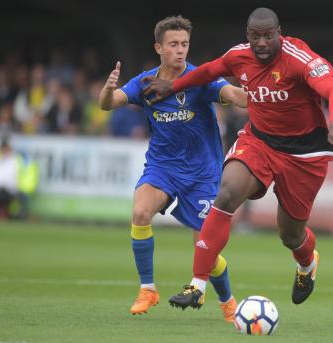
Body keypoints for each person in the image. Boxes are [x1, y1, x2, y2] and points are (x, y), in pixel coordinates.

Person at [142, 7, 333, 309]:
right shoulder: (239, 56)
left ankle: (307, 264)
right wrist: (173, 86)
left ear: (280, 33)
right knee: (226, 193)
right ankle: (197, 285)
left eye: (268, 36)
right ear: (248, 36)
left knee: (290, 235)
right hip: (260, 141)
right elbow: (208, 71)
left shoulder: (298, 58)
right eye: (256, 37)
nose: (262, 43)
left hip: (304, 153)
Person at [98, 15, 248, 321]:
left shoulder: (199, 79)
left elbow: (233, 95)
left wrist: (260, 96)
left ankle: (227, 301)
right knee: (140, 213)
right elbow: (108, 103)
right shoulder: (145, 82)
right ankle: (147, 289)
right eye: (173, 44)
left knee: (206, 249)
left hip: (202, 173)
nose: (180, 50)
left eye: (184, 44)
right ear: (158, 47)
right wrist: (107, 88)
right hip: (163, 166)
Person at [0, 135, 38, 219]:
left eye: (6, 148)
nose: (4, 150)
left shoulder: (19, 161)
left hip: (7, 191)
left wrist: (23, 192)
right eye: (2, 148)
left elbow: (26, 182)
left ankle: (0, 213)